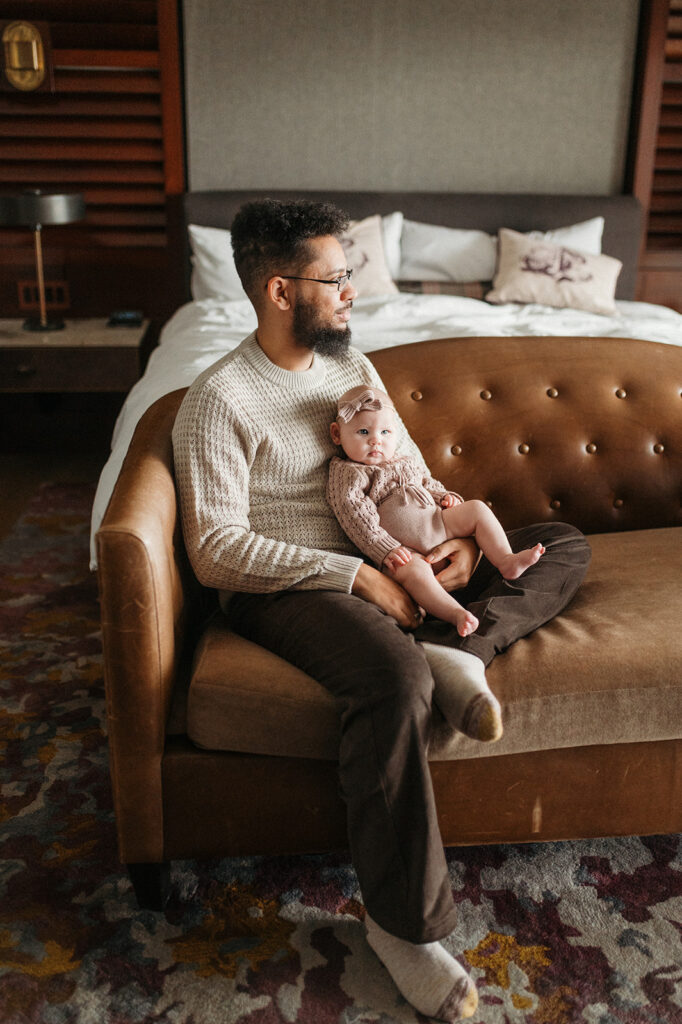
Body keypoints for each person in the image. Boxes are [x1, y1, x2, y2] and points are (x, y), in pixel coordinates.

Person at [172, 198, 591, 1022]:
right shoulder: (217, 399)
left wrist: (459, 548)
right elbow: (215, 548)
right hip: (294, 589)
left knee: (563, 542)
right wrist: (357, 578)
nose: (353, 292)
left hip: (399, 553)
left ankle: (466, 650)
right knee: (394, 680)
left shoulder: (352, 368)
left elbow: (409, 471)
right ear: (280, 290)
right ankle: (402, 926)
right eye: (337, 278)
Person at [328, 384, 546, 641]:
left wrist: (445, 498)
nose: (376, 441)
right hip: (404, 551)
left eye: (385, 432)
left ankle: (506, 560)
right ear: (337, 434)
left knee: (476, 508)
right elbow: (355, 515)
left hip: (437, 523)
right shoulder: (348, 472)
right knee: (414, 572)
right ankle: (455, 614)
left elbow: (428, 484)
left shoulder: (404, 461)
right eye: (363, 432)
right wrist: (384, 548)